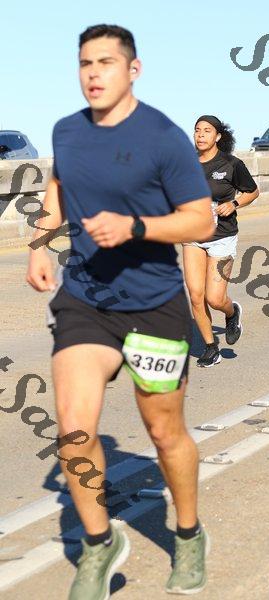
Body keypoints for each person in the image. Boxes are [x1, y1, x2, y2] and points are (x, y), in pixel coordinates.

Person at [26, 24, 215, 598]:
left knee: (163, 431)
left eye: (106, 62)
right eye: (85, 63)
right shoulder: (67, 130)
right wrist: (40, 241)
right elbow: (60, 183)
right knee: (73, 428)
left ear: (133, 70)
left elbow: (201, 220)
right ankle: (99, 543)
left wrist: (135, 227)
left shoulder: (163, 138)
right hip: (86, 298)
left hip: (154, 304)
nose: (93, 73)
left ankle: (188, 534)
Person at [182, 116, 259, 367]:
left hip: (222, 237)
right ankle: (210, 348)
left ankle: (231, 312)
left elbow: (252, 191)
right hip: (192, 236)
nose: (201, 135)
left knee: (215, 299)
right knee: (196, 296)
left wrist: (234, 203)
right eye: (197, 130)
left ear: (217, 137)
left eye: (207, 131)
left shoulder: (231, 164)